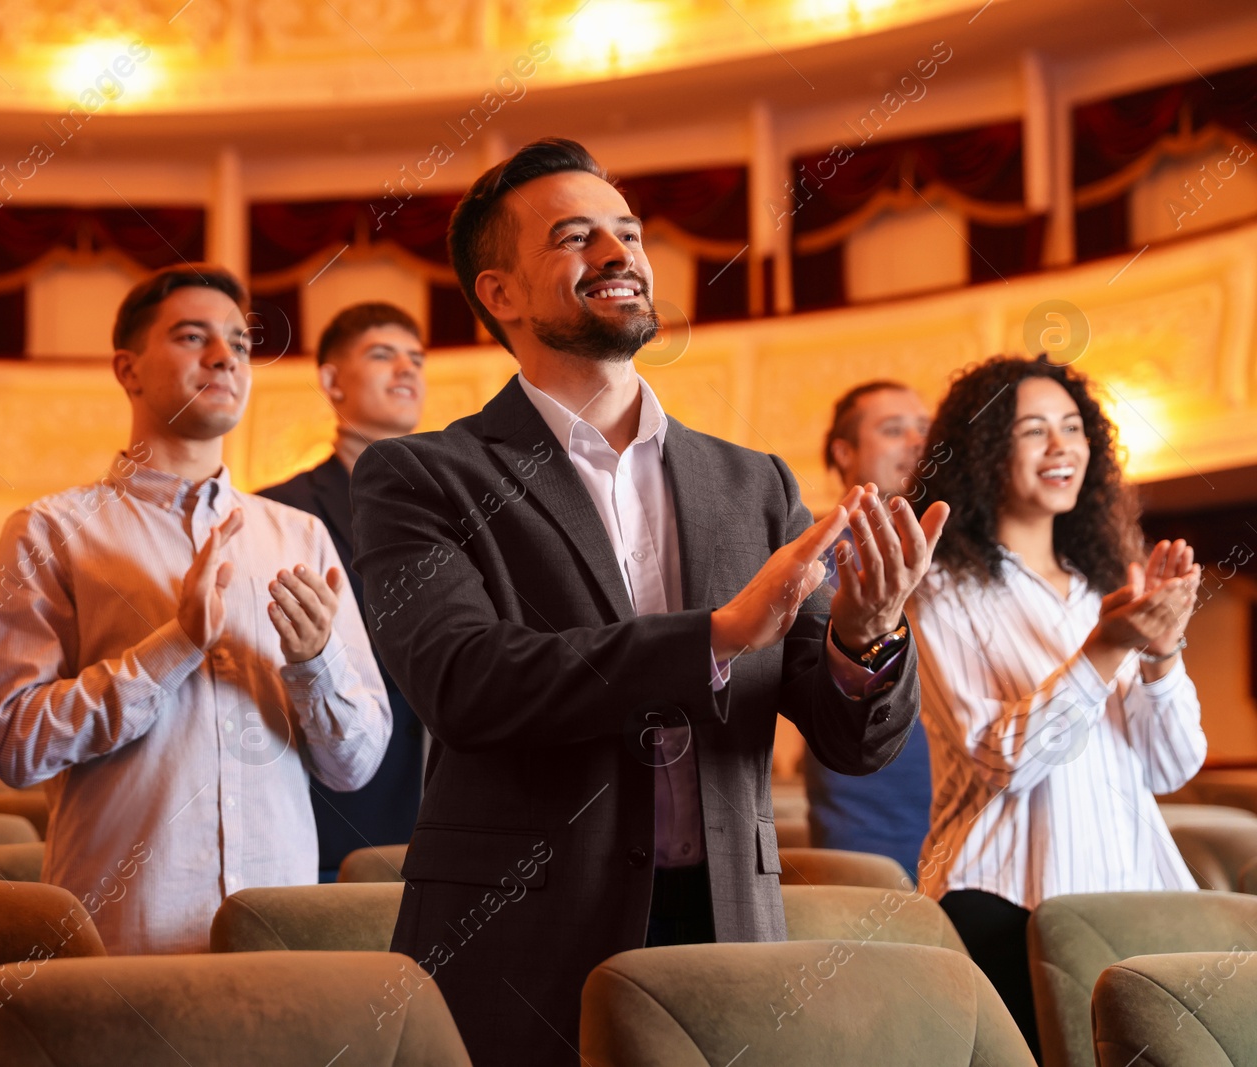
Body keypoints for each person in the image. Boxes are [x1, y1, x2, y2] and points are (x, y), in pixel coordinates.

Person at [348, 138, 950, 1065]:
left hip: (725, 927)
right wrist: (715, 635)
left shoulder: (753, 482)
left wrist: (866, 639)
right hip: (522, 939)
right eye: (577, 236)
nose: (620, 254)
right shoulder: (421, 475)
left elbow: (852, 741)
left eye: (628, 233)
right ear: (500, 292)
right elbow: (465, 681)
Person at [0, 263, 391, 955]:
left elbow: (353, 765)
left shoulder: (299, 535)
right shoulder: (51, 530)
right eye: (191, 336)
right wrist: (174, 644)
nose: (225, 355)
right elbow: (18, 746)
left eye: (238, 340)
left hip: (278, 934)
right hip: (125, 932)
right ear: (128, 368)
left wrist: (314, 663)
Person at [910, 355, 1204, 1061]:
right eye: (1033, 430)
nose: (1061, 446)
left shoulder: (1104, 584)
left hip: (1134, 895)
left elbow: (1173, 765)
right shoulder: (940, 589)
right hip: (1003, 900)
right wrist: (1104, 649)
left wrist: (1161, 652)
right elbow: (1001, 758)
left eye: (1073, 428)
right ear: (985, 451)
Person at [258, 302, 427, 880]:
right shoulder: (278, 512)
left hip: (451, 809)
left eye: (417, 359)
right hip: (337, 812)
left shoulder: (458, 507)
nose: (406, 370)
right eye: (383, 355)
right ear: (331, 381)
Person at [803, 381, 936, 877]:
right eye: (893, 430)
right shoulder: (812, 553)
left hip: (964, 808)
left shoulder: (952, 551)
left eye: (924, 429)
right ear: (844, 451)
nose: (917, 442)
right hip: (863, 811)